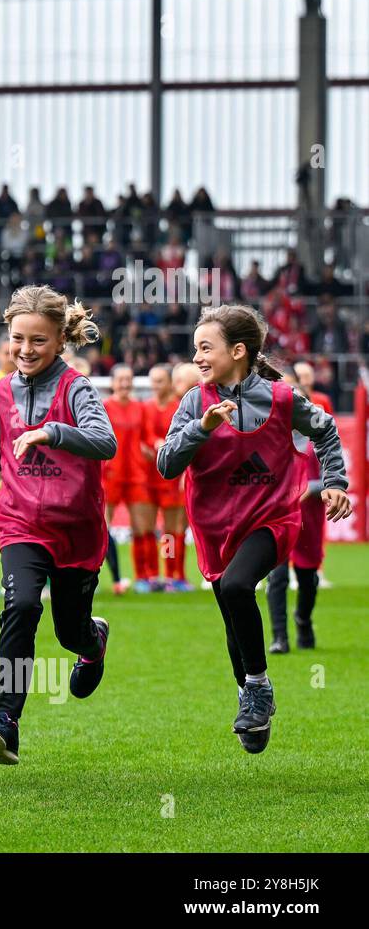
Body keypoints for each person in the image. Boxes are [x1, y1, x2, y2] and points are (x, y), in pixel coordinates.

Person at [157, 305, 351, 754]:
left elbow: (325, 431)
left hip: (273, 518)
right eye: (194, 349)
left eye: (206, 348)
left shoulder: (282, 398)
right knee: (230, 601)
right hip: (214, 527)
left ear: (239, 351)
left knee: (239, 585)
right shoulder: (193, 402)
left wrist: (336, 483)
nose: (197, 358)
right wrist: (200, 429)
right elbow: (167, 465)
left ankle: (258, 687)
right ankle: (251, 701)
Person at [0, 285, 116, 766]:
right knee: (19, 607)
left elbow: (105, 442)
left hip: (76, 530)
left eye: (38, 341)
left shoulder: (76, 387)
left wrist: (52, 432)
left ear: (60, 340)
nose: (25, 350)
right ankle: (6, 723)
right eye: (18, 339)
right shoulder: (0, 390)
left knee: (69, 632)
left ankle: (93, 642)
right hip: (20, 522)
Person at [266, 374, 327, 654]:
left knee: (307, 577)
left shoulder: (319, 439)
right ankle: (280, 637)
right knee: (276, 576)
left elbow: (332, 477)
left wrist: (309, 489)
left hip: (308, 519)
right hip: (276, 518)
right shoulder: (270, 437)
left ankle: (303, 618)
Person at [104, 365, 155, 593]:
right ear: (113, 383)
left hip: (135, 473)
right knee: (102, 529)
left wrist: (155, 444)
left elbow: (148, 434)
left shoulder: (140, 408)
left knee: (141, 528)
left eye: (128, 379)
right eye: (120, 380)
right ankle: (103, 577)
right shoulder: (105, 407)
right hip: (110, 474)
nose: (124, 384)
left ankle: (143, 577)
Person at [143, 363, 191, 592]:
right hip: (149, 476)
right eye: (153, 381)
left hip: (171, 475)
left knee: (173, 530)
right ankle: (152, 575)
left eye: (160, 381)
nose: (156, 386)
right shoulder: (147, 408)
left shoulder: (177, 406)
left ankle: (175, 575)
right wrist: (151, 444)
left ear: (169, 383)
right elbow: (145, 436)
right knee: (150, 528)